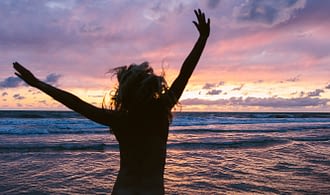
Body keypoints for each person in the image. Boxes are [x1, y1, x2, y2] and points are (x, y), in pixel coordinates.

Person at [13, 9, 210, 195]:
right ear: (151, 88)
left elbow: (76, 103)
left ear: (125, 92)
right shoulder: (161, 110)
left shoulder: (120, 120)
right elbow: (185, 73)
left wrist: (39, 84)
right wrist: (202, 39)